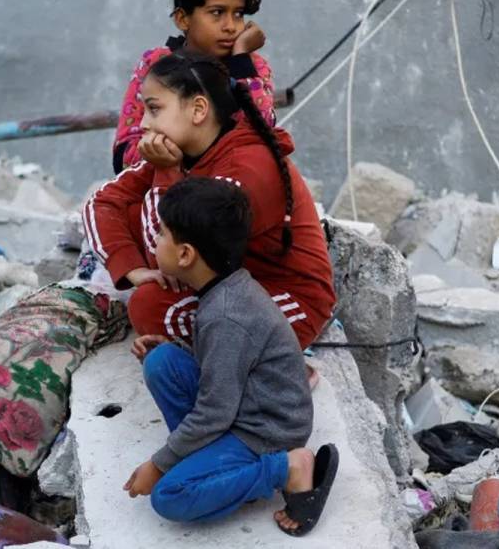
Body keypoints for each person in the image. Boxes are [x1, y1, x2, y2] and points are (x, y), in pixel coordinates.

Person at [84, 51, 335, 366]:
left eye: (154, 109)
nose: (144, 124)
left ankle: (271, 372)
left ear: (198, 109)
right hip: (221, 281)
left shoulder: (246, 168)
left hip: (284, 299)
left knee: (151, 307)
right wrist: (134, 271)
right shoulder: (184, 149)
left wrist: (166, 172)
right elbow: (102, 203)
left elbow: (171, 257)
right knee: (133, 219)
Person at [122, 177, 339, 534]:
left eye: (161, 233)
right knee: (163, 362)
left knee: (170, 496)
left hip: (266, 431)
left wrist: (159, 465)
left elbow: (215, 411)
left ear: (186, 254)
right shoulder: (224, 289)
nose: (155, 240)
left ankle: (288, 468)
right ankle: (207, 460)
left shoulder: (226, 315)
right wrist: (178, 349)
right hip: (244, 406)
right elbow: (226, 363)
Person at [112, 0, 276, 174]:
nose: (231, 26)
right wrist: (159, 154)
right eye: (217, 12)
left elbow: (263, 131)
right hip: (161, 182)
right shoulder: (156, 63)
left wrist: (240, 59)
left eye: (238, 14)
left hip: (229, 183)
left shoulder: (251, 66)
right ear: (183, 19)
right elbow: (123, 154)